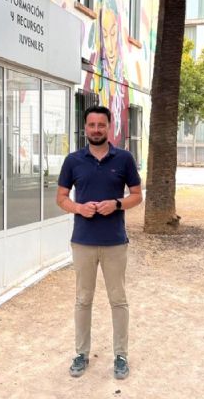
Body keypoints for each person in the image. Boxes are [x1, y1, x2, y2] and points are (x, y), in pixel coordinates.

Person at [56, 105, 142, 379]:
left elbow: (137, 195)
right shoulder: (73, 161)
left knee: (118, 300)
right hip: (83, 241)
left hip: (115, 242)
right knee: (83, 300)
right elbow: (61, 198)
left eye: (101, 125)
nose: (96, 129)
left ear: (109, 126)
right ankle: (81, 353)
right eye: (91, 125)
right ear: (85, 128)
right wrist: (79, 208)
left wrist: (116, 204)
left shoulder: (124, 158)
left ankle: (121, 355)